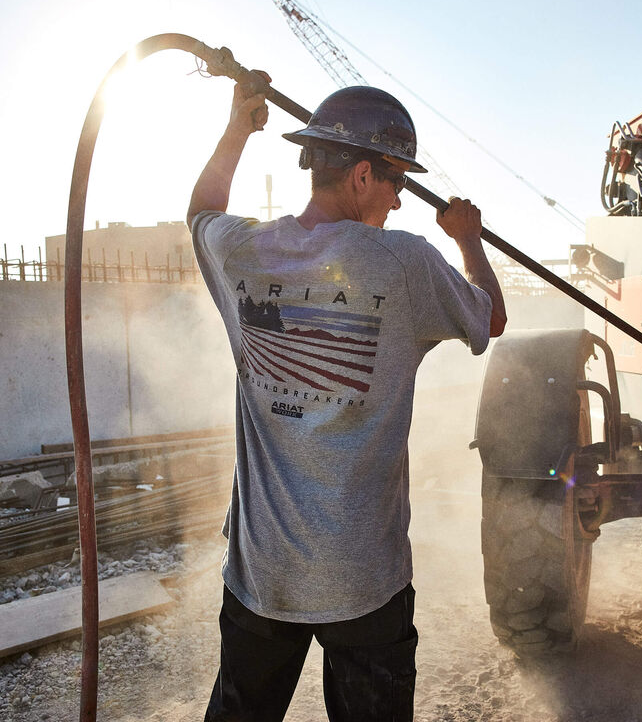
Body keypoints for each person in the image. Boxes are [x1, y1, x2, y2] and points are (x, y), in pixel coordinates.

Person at [188, 74, 506, 722]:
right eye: (393, 182)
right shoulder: (406, 262)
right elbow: (490, 319)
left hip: (262, 575)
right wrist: (468, 236)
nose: (396, 201)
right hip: (366, 581)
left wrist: (235, 129)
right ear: (361, 176)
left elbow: (201, 213)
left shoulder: (242, 249)